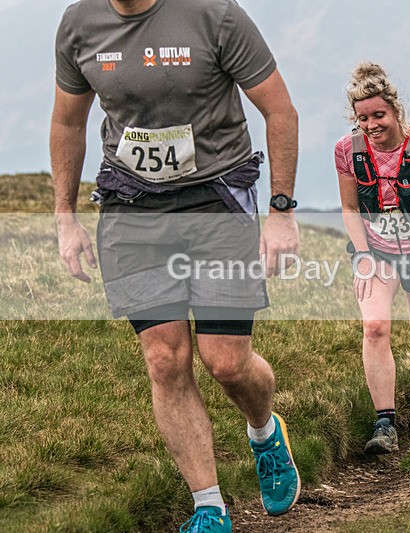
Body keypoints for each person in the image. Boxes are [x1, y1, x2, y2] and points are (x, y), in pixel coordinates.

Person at [51, 0, 301, 530]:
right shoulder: (79, 23)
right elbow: (67, 121)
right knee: (165, 359)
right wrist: (64, 218)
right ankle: (208, 507)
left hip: (216, 201)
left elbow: (280, 110)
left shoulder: (214, 13)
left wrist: (281, 212)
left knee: (226, 362)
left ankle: (263, 430)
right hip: (131, 206)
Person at [334, 62, 410, 454]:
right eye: (363, 118)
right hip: (378, 252)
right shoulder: (347, 151)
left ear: (395, 111)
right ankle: (384, 426)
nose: (371, 125)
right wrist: (364, 257)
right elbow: (350, 208)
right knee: (374, 328)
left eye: (378, 115)